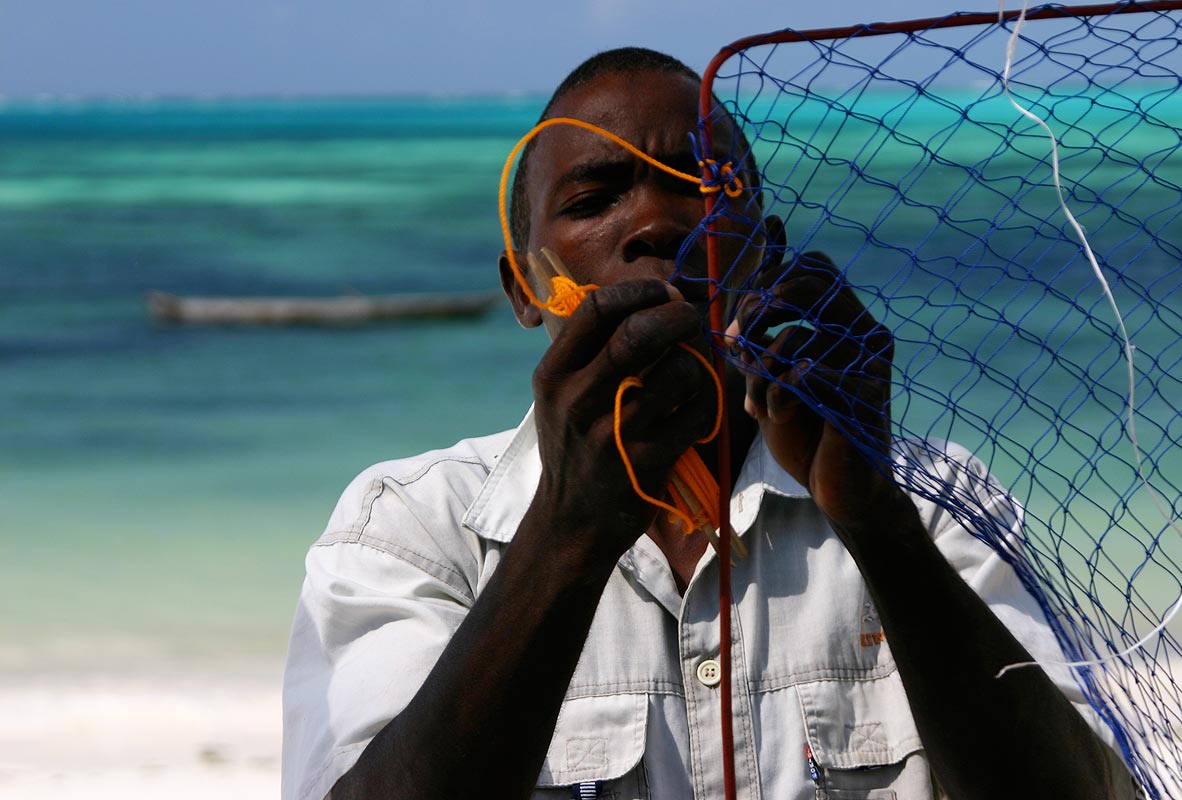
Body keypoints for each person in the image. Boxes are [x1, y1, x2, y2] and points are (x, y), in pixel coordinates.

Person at [282, 48, 1134, 800]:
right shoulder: (412, 530)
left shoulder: (933, 501)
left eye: (702, 186)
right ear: (525, 289)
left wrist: (877, 522)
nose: (657, 224)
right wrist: (568, 530)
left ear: (766, 252)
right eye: (594, 198)